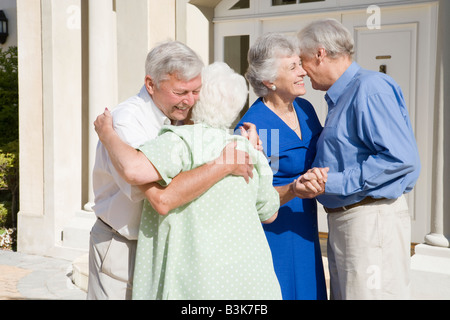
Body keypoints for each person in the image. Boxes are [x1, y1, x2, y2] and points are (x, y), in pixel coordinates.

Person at [94, 62, 282, 300]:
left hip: (195, 282)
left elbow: (135, 170)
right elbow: (270, 213)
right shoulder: (248, 149)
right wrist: (259, 156)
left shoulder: (178, 141)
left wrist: (107, 133)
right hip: (247, 282)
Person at [296, 18, 421, 300]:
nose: (302, 71)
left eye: (302, 61)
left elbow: (401, 160)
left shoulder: (369, 88)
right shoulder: (343, 96)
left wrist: (332, 181)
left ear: (320, 54)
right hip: (352, 222)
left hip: (369, 220)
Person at [235, 32, 328, 300]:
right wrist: (293, 189)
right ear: (269, 81)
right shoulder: (254, 126)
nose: (304, 72)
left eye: (300, 63)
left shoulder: (306, 109)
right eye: (293, 67)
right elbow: (246, 198)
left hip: (306, 226)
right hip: (273, 232)